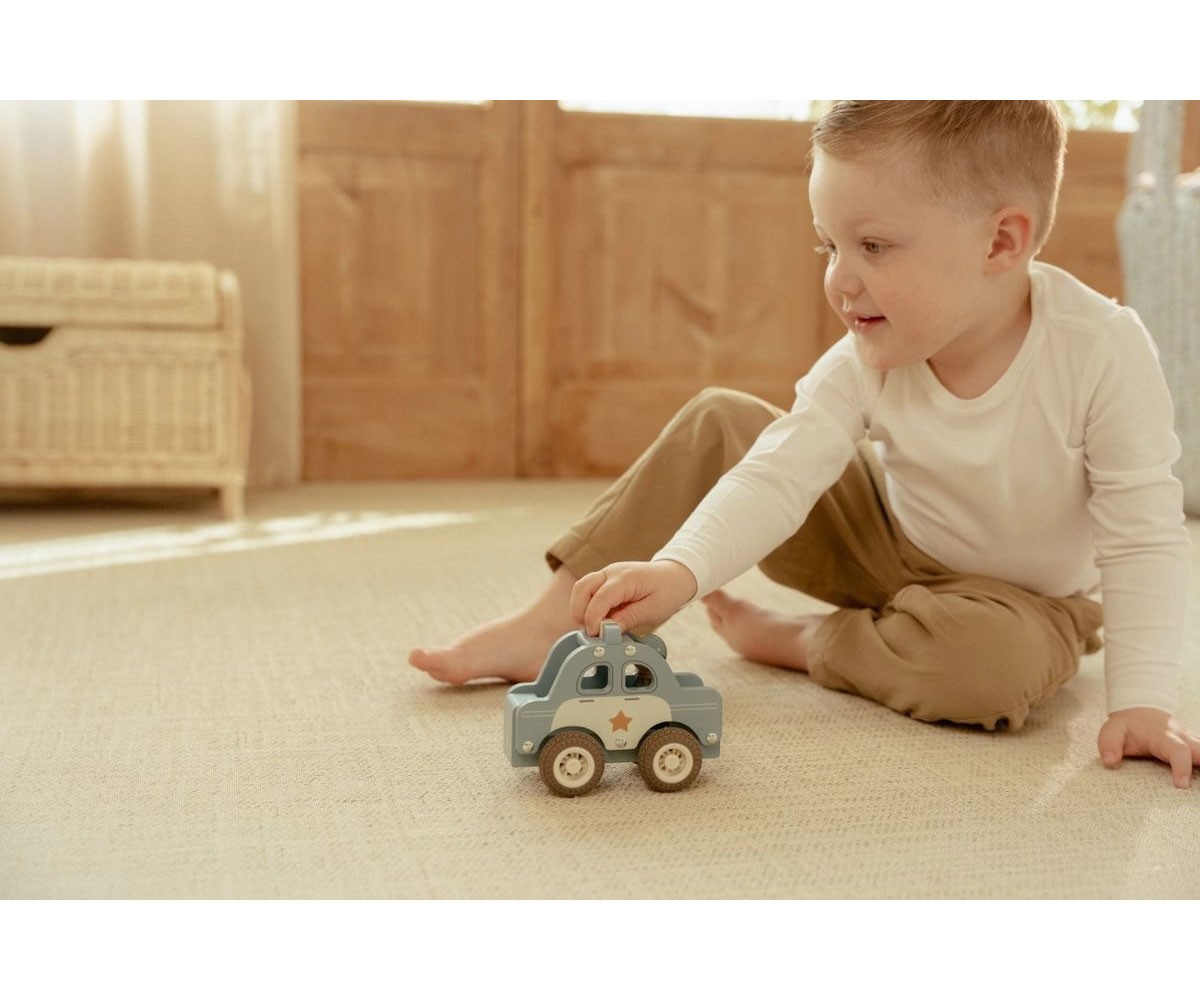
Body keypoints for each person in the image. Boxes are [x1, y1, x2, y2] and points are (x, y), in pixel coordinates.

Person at [410, 101, 1199, 789]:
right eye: (829, 246)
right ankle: (556, 619)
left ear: (1001, 242)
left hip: (1024, 603)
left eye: (874, 247)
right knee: (724, 419)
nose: (840, 281)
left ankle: (804, 641)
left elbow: (1142, 535)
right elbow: (780, 471)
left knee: (990, 671)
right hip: (884, 538)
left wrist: (1141, 703)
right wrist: (681, 569)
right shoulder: (868, 354)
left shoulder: (1101, 349)